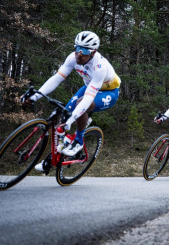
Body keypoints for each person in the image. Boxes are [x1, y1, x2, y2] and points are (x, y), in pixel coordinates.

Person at [22, 31, 121, 171]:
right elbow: (57, 78)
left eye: (85, 50)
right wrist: (35, 96)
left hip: (109, 92)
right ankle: (53, 159)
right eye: (77, 48)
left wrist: (71, 120)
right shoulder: (72, 58)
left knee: (79, 107)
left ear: (93, 52)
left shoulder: (100, 67)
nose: (79, 53)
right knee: (65, 114)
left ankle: (79, 140)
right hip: (89, 87)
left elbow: (88, 98)